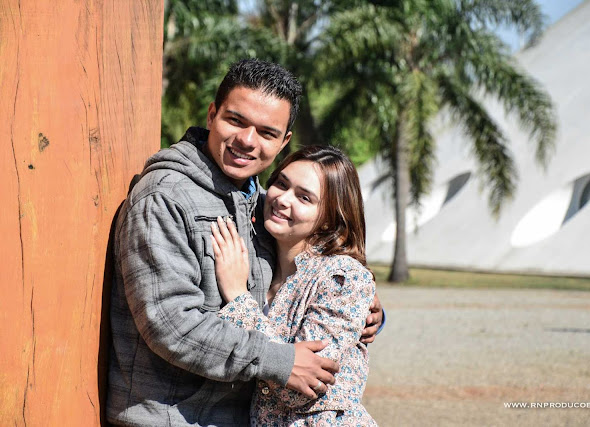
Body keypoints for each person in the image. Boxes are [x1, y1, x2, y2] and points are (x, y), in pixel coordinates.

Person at [107, 59, 383, 426]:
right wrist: (277, 360)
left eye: (267, 132)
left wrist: (363, 308)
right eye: (236, 121)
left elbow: (315, 271)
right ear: (212, 115)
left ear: (284, 142)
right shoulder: (165, 197)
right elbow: (171, 325)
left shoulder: (262, 206)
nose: (247, 140)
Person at [210, 145, 377, 426]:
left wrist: (237, 296)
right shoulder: (262, 261)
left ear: (329, 219)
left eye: (304, 197)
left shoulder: (343, 277)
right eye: (281, 184)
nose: (282, 199)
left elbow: (301, 387)